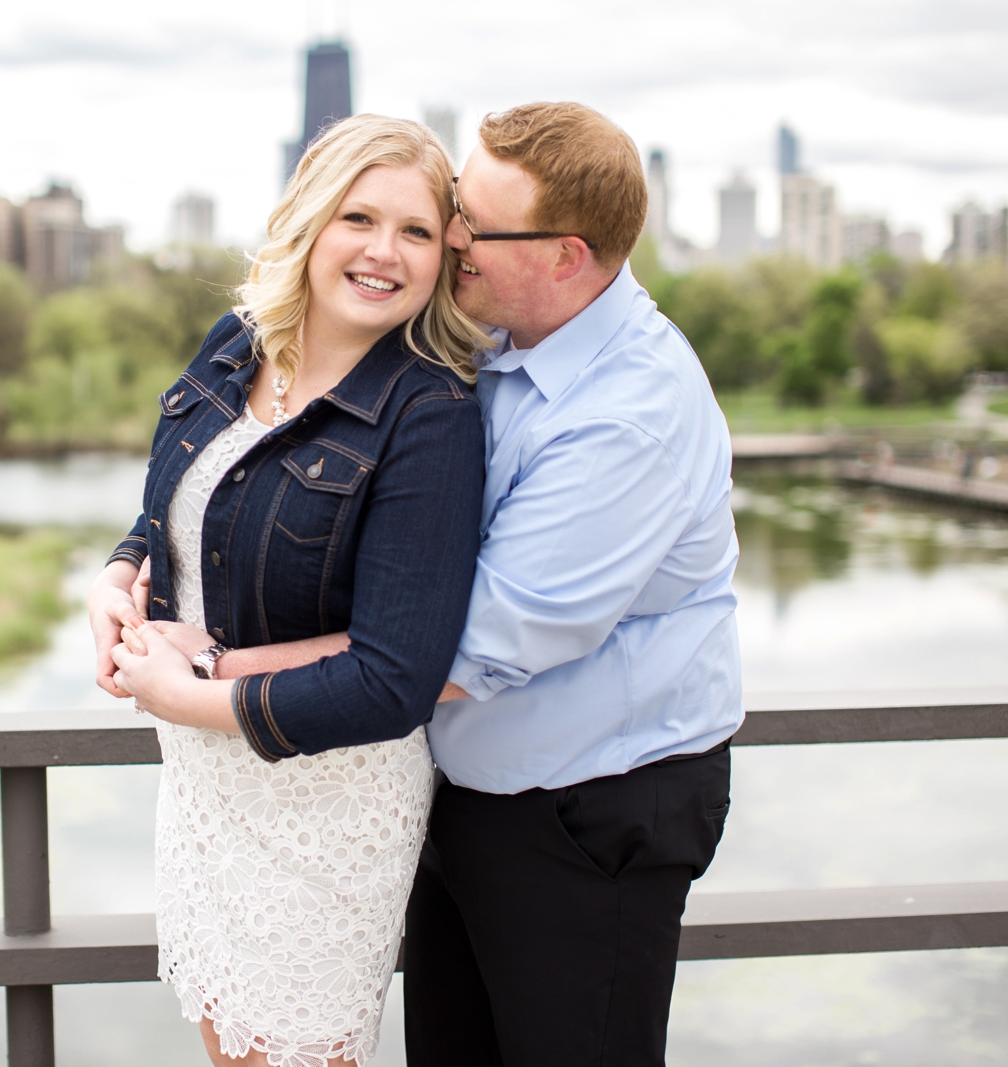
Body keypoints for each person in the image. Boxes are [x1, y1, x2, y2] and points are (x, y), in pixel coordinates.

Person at [116, 101, 742, 1066]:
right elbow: (213, 481)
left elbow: (449, 652)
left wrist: (207, 672)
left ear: (565, 255)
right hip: (458, 789)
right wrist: (130, 568)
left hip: (590, 808)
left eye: (465, 225)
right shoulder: (486, 336)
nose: (447, 240)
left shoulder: (629, 416)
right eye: (453, 208)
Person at [86, 114, 488, 1067]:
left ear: (443, 255)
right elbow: (176, 508)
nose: (384, 252)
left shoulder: (429, 413)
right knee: (232, 1045)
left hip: (325, 804)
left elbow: (394, 678)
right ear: (309, 220)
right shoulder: (237, 342)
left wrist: (191, 691)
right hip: (203, 789)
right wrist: (118, 572)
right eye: (359, 217)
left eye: (417, 231)